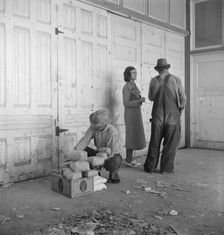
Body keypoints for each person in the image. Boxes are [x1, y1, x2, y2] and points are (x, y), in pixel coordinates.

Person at [144, 58, 187, 174]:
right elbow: (183, 99)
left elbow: (151, 97)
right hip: (172, 117)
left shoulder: (154, 81)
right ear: (168, 68)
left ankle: (150, 167)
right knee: (170, 144)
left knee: (154, 142)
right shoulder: (176, 79)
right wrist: (179, 110)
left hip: (157, 116)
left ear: (158, 69)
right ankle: (166, 169)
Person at [74, 109, 122, 183]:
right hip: (99, 151)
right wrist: (76, 152)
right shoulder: (93, 128)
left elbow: (110, 151)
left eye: (97, 124)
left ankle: (113, 174)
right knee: (84, 151)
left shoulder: (112, 131)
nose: (94, 126)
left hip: (112, 154)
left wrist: (100, 161)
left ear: (103, 123)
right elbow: (85, 140)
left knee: (114, 161)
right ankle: (94, 172)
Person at [122, 66, 146, 167]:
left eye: (135, 72)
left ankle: (130, 159)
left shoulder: (134, 85)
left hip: (136, 113)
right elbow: (126, 103)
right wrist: (139, 100)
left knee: (134, 136)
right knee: (131, 136)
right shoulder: (127, 86)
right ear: (128, 74)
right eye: (133, 73)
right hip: (130, 114)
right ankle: (128, 160)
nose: (135, 74)